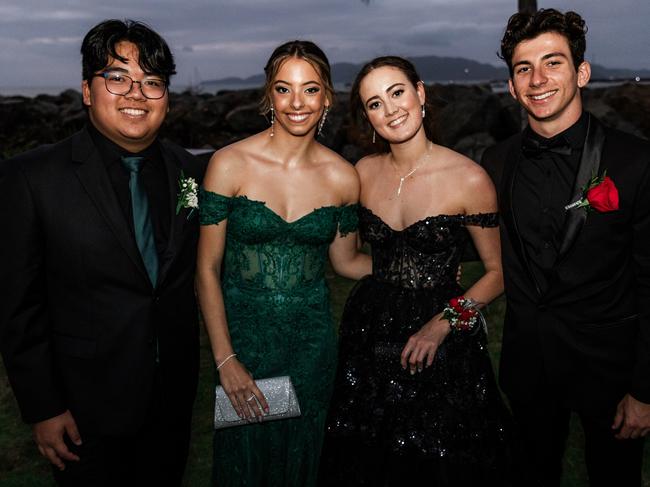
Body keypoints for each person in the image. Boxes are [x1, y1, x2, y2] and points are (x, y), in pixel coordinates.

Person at [0, 20, 204, 486]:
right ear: (88, 91)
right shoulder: (32, 178)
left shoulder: (190, 172)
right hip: (83, 406)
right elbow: (18, 306)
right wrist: (43, 406)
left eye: (152, 82)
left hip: (172, 398)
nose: (136, 93)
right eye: (117, 77)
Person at [321, 56, 515, 486]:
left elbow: (498, 273)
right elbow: (347, 261)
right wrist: (402, 274)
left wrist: (443, 322)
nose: (390, 110)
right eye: (374, 103)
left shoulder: (469, 178)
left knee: (443, 459)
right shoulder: (359, 175)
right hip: (370, 332)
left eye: (397, 92)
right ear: (367, 118)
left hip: (443, 338)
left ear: (420, 93)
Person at [481, 8, 650, 487]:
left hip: (612, 372)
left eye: (553, 63)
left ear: (582, 73)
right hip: (528, 365)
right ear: (512, 86)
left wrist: (646, 390)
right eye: (523, 68)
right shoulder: (495, 162)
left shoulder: (636, 162)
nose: (538, 79)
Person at [196, 40, 370, 487]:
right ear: (267, 95)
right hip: (244, 350)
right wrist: (226, 360)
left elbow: (347, 262)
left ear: (327, 97)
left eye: (310, 89)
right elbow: (206, 270)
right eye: (284, 88)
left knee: (302, 462)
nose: (297, 103)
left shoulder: (342, 178)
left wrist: (413, 269)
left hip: (311, 350)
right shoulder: (228, 164)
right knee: (245, 464)